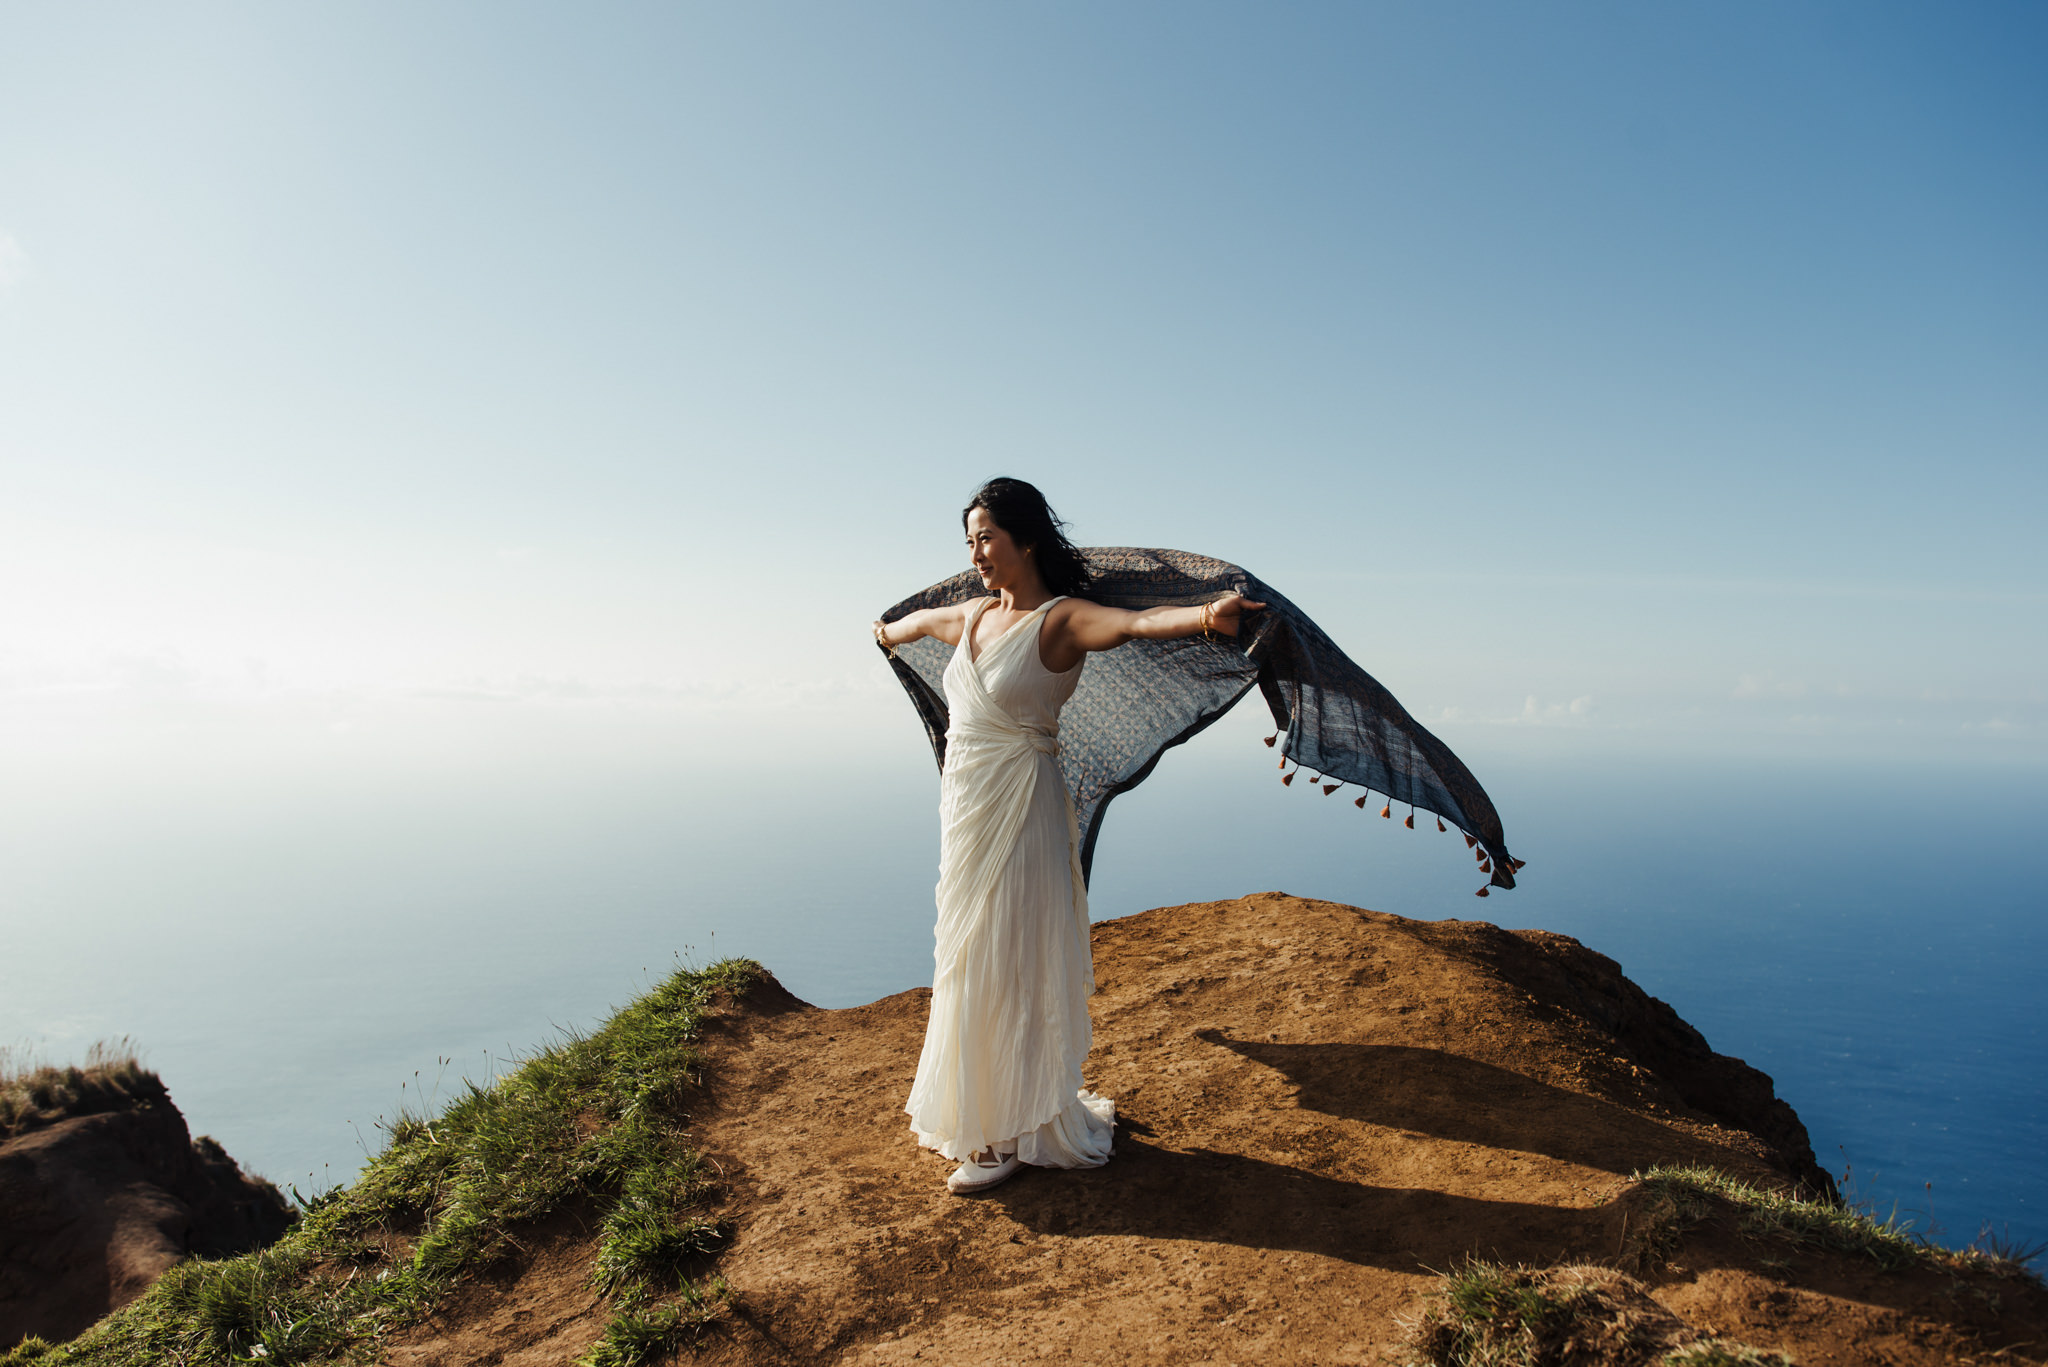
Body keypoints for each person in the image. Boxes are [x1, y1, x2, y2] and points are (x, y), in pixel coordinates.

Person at [871, 478, 1264, 1194]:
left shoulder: (1060, 621)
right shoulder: (970, 614)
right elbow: (920, 622)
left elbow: (1135, 626)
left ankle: (1007, 1132)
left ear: (1025, 539)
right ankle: (985, 1110)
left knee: (1009, 951)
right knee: (963, 948)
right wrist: (884, 632)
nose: (976, 552)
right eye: (969, 541)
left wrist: (1210, 615)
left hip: (1024, 809)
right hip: (967, 813)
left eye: (987, 536)